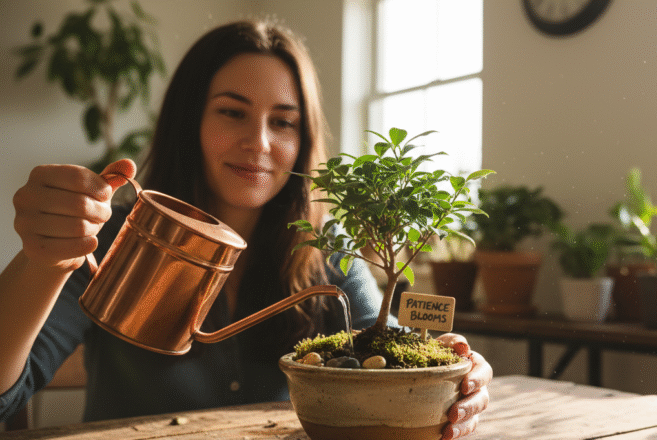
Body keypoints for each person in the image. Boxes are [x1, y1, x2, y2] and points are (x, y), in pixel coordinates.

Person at [0, 20, 491, 439]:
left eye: (283, 123)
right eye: (232, 112)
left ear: (303, 143)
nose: (259, 142)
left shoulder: (326, 251)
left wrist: (459, 372)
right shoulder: (115, 239)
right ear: (190, 121)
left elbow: (387, 347)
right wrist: (43, 260)